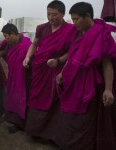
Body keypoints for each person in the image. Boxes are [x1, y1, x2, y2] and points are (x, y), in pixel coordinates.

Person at [54, 2, 116, 149]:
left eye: (77, 19)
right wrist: (62, 72)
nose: (74, 22)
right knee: (72, 117)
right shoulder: (79, 34)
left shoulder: (101, 33)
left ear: (88, 16)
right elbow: (73, 57)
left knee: (90, 121)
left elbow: (107, 64)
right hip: (75, 83)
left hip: (93, 87)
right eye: (72, 19)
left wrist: (108, 89)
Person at [23, 0, 77, 140]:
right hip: (40, 68)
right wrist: (28, 57)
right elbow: (34, 44)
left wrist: (59, 61)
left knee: (54, 99)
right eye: (48, 14)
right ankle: (36, 131)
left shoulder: (71, 29)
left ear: (63, 14)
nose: (51, 18)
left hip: (58, 69)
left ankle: (52, 135)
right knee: (37, 97)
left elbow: (72, 52)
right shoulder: (41, 28)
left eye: (55, 15)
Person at [0, 23, 32, 133]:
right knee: (12, 98)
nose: (5, 39)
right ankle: (15, 123)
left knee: (24, 100)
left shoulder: (27, 44)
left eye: (6, 36)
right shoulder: (7, 43)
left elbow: (33, 58)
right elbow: (2, 51)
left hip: (25, 79)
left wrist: (29, 64)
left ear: (13, 34)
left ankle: (24, 125)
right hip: (13, 76)